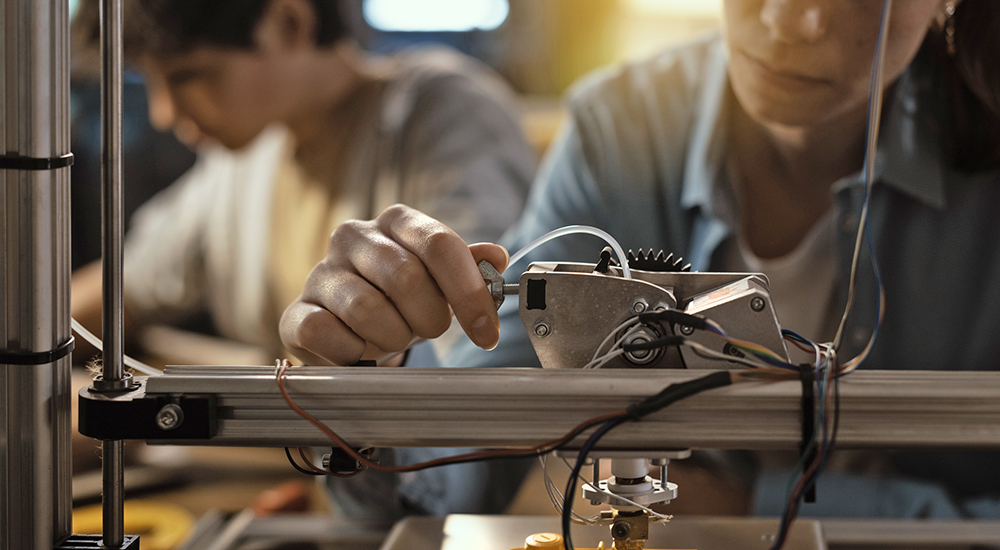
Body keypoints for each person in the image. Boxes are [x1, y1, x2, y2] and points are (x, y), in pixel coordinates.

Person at [280, 0, 1000, 520]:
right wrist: (366, 395)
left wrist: (748, 504)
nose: (791, 20)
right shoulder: (617, 132)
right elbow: (469, 468)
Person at [70, 0, 535, 362]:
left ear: (289, 23)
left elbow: (472, 340)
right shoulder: (249, 155)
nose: (163, 112)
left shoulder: (446, 118)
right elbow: (124, 288)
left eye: (187, 76)